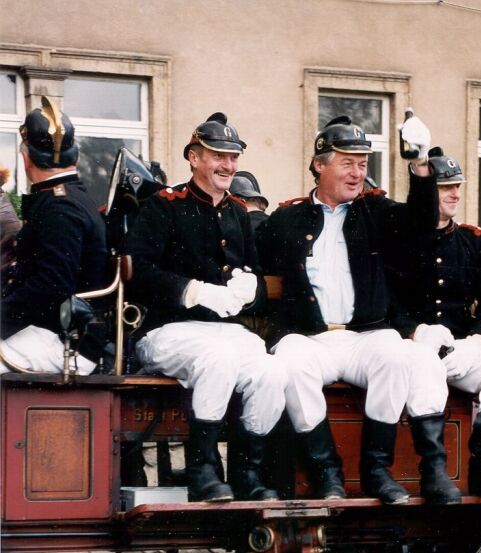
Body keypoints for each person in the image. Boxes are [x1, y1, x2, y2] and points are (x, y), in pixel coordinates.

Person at [258, 114, 459, 505]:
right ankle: (326, 473)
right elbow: (250, 250)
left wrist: (419, 164)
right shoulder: (287, 218)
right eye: (347, 163)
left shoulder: (375, 212)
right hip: (311, 338)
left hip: (364, 335)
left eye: (363, 164)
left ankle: (376, 470)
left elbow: (420, 222)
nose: (357, 173)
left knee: (397, 355)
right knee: (289, 364)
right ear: (319, 164)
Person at [127, 112, 287, 503]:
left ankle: (248, 473)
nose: (227, 165)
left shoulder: (237, 213)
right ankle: (204, 468)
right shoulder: (164, 206)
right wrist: (192, 291)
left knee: (271, 371)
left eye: (232, 158)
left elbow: (258, 276)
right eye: (217, 156)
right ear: (194, 157)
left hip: (228, 331)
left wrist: (252, 289)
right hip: (168, 330)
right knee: (217, 358)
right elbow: (138, 272)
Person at [388, 147, 481, 502]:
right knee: (421, 362)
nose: (455, 193)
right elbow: (385, 303)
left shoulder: (473, 242)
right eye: (444, 186)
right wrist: (416, 332)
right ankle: (433, 470)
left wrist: (477, 343)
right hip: (410, 348)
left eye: (457, 185)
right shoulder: (400, 240)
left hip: (459, 352)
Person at [0, 97, 108, 375]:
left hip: (64, 340)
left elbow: (51, 285)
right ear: (77, 157)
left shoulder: (59, 207)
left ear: (26, 158)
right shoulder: (70, 199)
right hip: (57, 331)